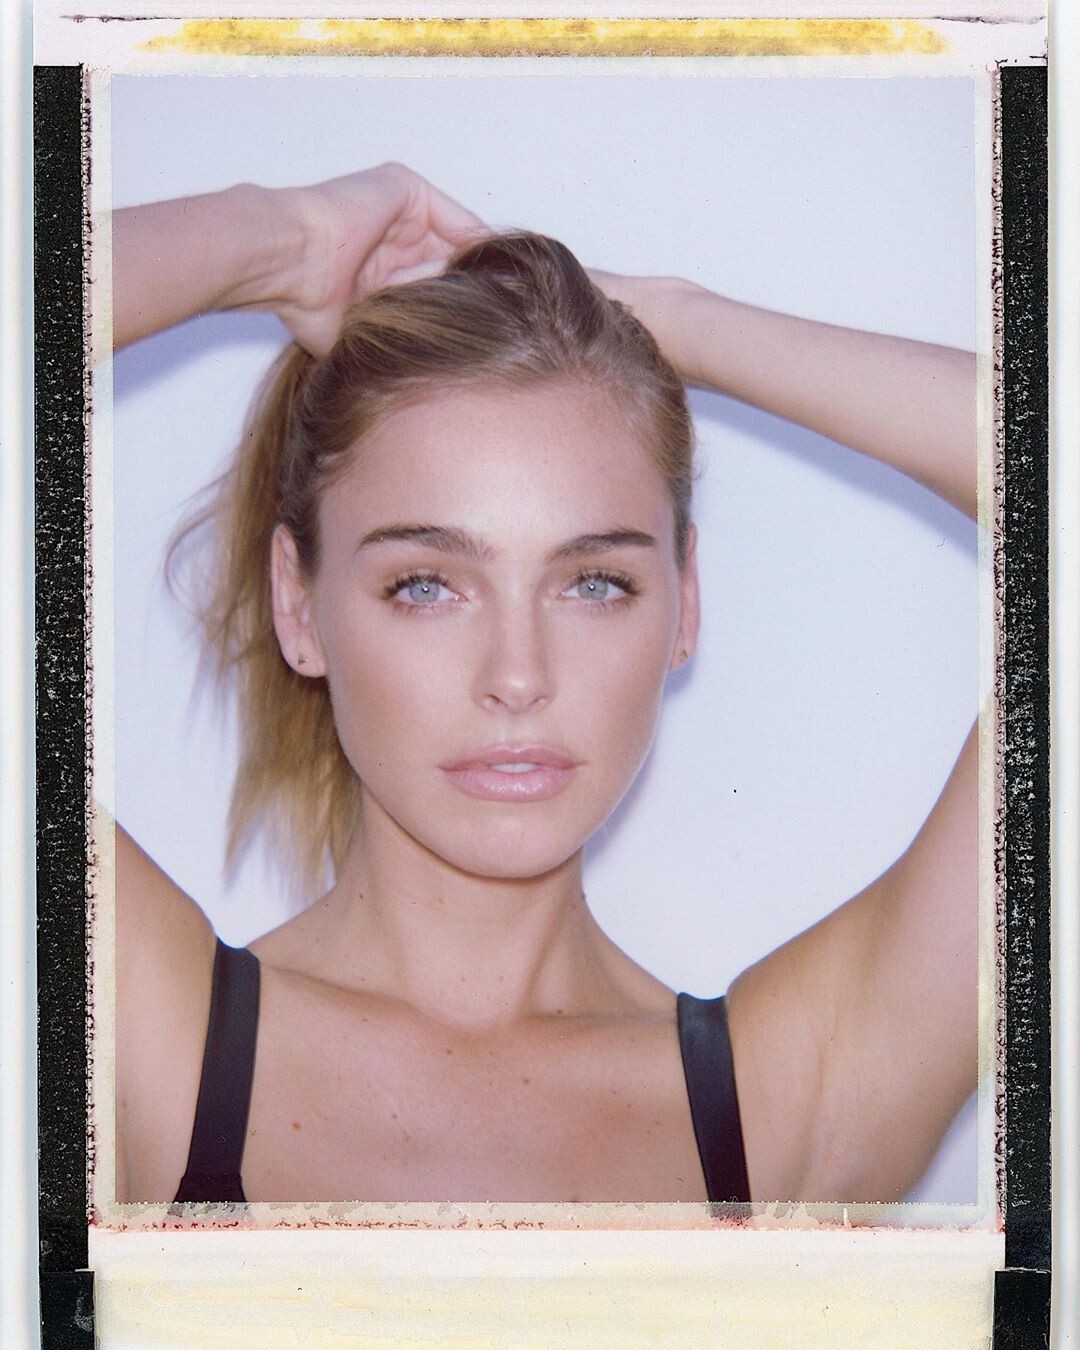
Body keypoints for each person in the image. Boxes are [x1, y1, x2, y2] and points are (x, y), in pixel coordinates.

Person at [112, 163, 979, 1206]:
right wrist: (284, 243)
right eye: (427, 585)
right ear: (300, 607)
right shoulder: (150, 1040)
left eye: (594, 583)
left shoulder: (785, 1109)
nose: (518, 677)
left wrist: (668, 322)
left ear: (684, 603)